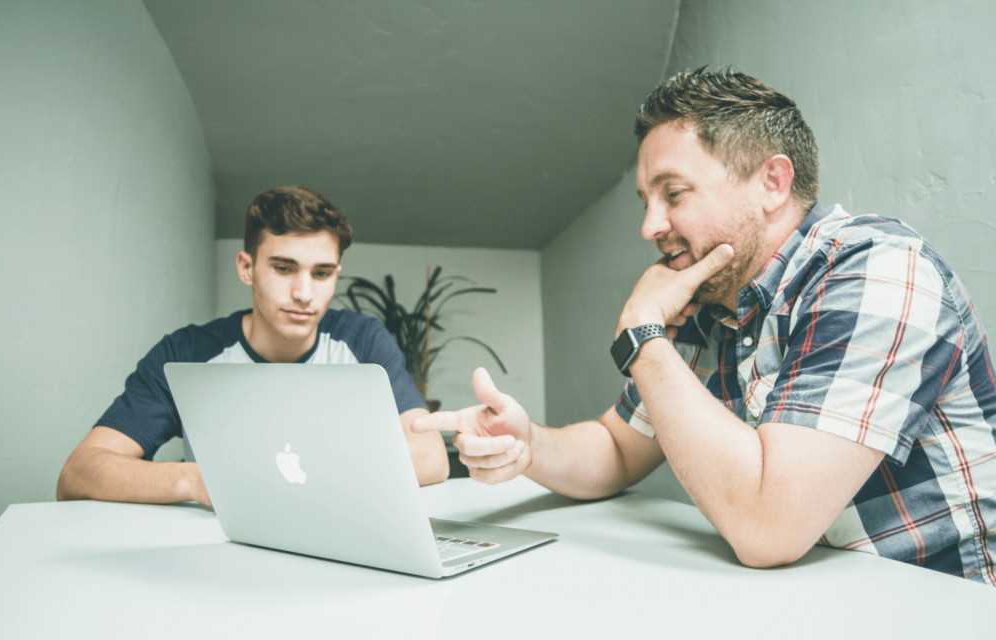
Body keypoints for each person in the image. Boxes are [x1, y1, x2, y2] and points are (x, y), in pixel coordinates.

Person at [413, 68, 996, 585]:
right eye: (646, 200)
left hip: (941, 604)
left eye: (673, 194)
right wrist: (529, 445)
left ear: (772, 182)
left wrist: (643, 335)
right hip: (811, 598)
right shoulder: (714, 302)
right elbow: (619, 447)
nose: (650, 225)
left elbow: (769, 528)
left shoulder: (879, 269)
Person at [58, 185, 449, 506]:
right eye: (283, 268)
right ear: (247, 267)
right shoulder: (187, 353)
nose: (303, 293)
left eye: (322, 273)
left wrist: (290, 477)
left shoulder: (362, 340)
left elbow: (431, 457)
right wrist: (198, 481)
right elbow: (79, 473)